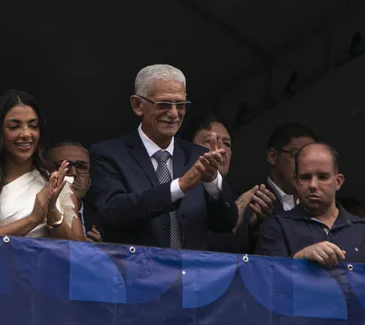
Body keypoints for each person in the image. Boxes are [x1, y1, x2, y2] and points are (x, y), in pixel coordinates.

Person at [88, 64, 237, 250]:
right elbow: (113, 212)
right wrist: (178, 187)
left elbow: (224, 224)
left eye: (181, 105)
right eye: (164, 104)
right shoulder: (109, 154)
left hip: (192, 275)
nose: (174, 114)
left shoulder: (198, 156)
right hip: (136, 274)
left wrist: (212, 183)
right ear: (137, 105)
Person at [0, 90, 84, 240]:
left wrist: (52, 211)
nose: (26, 134)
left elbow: (78, 249)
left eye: (33, 126)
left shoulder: (57, 183)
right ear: (0, 132)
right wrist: (33, 219)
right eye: (14, 127)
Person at [256, 143, 365, 267]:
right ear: (296, 181)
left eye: (322, 177)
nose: (313, 185)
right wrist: (300, 258)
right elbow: (268, 284)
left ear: (338, 182)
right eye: (305, 177)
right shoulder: (275, 227)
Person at [186, 113, 275, 253]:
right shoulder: (176, 195)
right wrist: (230, 225)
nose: (220, 150)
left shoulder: (242, 203)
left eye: (227, 144)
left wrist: (256, 228)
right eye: (210, 141)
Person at [49, 141, 102, 242]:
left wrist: (101, 249)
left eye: (81, 166)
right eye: (64, 165)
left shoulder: (103, 218)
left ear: (90, 180)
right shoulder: (37, 208)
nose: (73, 173)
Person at [265, 123, 319, 217]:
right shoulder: (253, 203)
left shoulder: (317, 205)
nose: (307, 166)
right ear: (273, 157)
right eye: (297, 155)